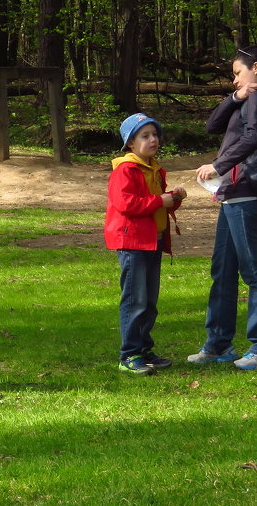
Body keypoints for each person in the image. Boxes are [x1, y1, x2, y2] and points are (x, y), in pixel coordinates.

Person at [191, 46, 257, 370]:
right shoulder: (249, 98)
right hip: (233, 193)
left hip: (247, 191)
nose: (234, 80)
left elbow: (255, 137)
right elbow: (212, 125)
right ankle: (219, 345)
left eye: (237, 73)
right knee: (223, 271)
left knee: (254, 271)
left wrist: (218, 165)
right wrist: (236, 98)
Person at [104, 113, 186, 375]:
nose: (153, 140)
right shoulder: (125, 170)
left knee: (149, 300)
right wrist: (160, 201)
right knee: (134, 299)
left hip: (153, 239)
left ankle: (144, 349)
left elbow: (157, 203)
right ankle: (128, 354)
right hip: (132, 242)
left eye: (155, 134)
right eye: (145, 136)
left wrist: (174, 198)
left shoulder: (154, 168)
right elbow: (126, 204)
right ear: (130, 143)